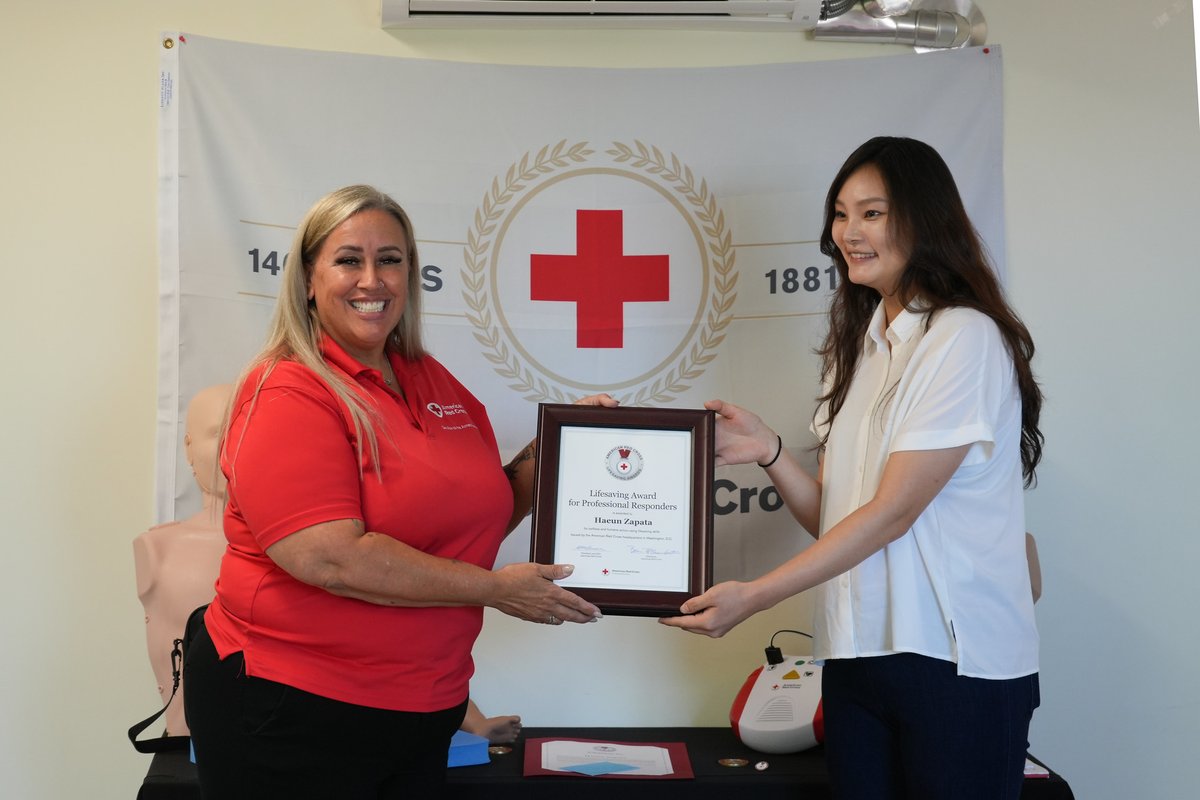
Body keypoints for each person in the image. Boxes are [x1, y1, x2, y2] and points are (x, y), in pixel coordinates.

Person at [183, 185, 616, 799]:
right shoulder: (288, 391)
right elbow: (329, 557)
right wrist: (497, 590)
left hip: (421, 706)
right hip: (294, 710)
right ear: (308, 279)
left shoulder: (428, 377)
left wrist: (562, 445)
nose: (372, 279)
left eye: (390, 259)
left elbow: (483, 510)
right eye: (348, 260)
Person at [662, 137, 1044, 800]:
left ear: (926, 220)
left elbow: (894, 512)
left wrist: (755, 596)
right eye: (841, 213)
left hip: (952, 665)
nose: (849, 232)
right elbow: (836, 519)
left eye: (873, 212)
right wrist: (772, 453)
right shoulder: (861, 350)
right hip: (853, 659)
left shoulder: (963, 338)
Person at [133, 383, 231, 736]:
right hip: (187, 742)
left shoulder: (293, 552)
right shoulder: (156, 548)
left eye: (244, 429)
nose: (230, 445)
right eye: (218, 432)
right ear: (188, 449)